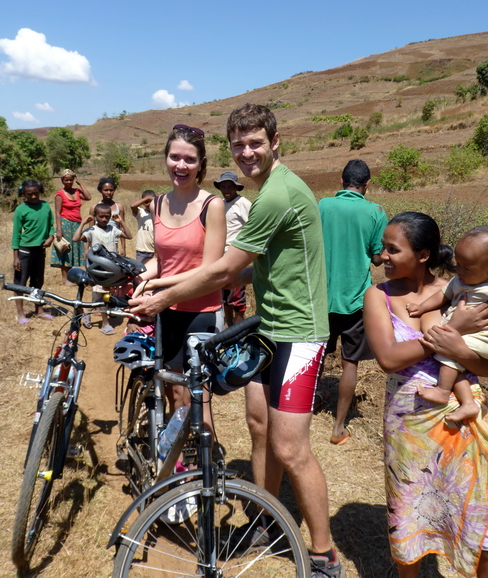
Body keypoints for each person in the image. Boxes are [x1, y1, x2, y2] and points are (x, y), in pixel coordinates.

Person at [130, 104, 344, 578]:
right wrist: (163, 286)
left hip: (300, 334)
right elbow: (252, 269)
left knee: (291, 449)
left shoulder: (277, 194)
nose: (247, 153)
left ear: (275, 142)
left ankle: (325, 554)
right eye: (239, 145)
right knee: (258, 428)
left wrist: (162, 298)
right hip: (267, 326)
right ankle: (265, 520)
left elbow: (226, 269)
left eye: (256, 144)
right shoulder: (269, 189)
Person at [364, 211, 488, 578]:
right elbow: (388, 358)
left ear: (422, 254)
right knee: (408, 515)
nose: (383, 256)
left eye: (392, 249)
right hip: (407, 426)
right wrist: (452, 329)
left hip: (460, 418)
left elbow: (481, 361)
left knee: (477, 517)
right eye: (383, 248)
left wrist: (459, 345)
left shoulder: (462, 288)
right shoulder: (378, 296)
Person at [132, 124, 226, 416]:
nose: (181, 165)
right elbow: (162, 260)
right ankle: (176, 461)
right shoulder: (157, 203)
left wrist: (157, 286)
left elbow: (209, 269)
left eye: (189, 159)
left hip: (202, 313)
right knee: (175, 396)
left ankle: (205, 457)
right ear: (165, 159)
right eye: (175, 157)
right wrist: (141, 275)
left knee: (199, 399)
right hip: (167, 312)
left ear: (201, 165)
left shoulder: (212, 205)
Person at [318, 159, 387, 444]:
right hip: (356, 299)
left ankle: (307, 404)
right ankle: (338, 427)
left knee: (317, 354)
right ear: (367, 184)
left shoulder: (322, 205)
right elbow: (376, 257)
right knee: (350, 362)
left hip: (320, 296)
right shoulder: (375, 212)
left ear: (342, 179)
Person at [406, 226, 488, 422]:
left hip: (481, 336)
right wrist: (422, 307)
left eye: (466, 268)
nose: (458, 270)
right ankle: (467, 402)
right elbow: (442, 295)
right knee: (448, 355)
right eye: (457, 264)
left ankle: (443, 391)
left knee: (447, 349)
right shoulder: (459, 281)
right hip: (465, 333)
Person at [73, 204, 132, 334]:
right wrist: (83, 223)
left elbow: (129, 236)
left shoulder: (113, 229)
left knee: (102, 297)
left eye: (107, 216)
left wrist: (121, 221)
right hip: (98, 270)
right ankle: (105, 324)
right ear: (95, 216)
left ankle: (86, 313)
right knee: (104, 296)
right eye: (101, 216)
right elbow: (75, 238)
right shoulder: (92, 230)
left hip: (111, 269)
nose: (104, 219)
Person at [11, 179, 54, 324]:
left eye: (36, 193)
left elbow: (51, 226)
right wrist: (16, 257)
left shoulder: (46, 206)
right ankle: (20, 314)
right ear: (23, 193)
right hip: (25, 251)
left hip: (40, 251)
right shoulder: (20, 209)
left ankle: (39, 310)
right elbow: (16, 234)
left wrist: (50, 237)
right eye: (30, 194)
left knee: (37, 281)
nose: (34, 197)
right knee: (20, 283)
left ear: (40, 190)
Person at [213, 171, 252, 326]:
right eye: (223, 186)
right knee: (224, 298)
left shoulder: (243, 204)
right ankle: (228, 332)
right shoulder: (220, 204)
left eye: (230, 186)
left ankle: (237, 334)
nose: (226, 189)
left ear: (236, 187)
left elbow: (253, 227)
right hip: (221, 257)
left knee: (237, 299)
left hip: (236, 256)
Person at [50, 169, 91, 284]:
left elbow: (88, 197)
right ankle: (65, 278)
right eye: (66, 180)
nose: (68, 182)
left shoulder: (77, 191)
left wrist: (81, 183)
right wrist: (59, 229)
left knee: (73, 250)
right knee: (65, 249)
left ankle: (70, 276)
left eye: (71, 180)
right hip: (65, 223)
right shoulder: (60, 194)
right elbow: (57, 213)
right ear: (62, 180)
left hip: (77, 224)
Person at [90, 177, 126, 254]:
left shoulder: (119, 207)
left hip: (113, 244)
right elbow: (90, 230)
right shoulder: (94, 207)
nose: (109, 192)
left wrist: (123, 248)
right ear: (100, 191)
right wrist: (87, 249)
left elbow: (121, 227)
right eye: (106, 190)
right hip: (98, 244)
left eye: (111, 190)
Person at [130, 190, 156, 265]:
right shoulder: (140, 212)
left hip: (156, 251)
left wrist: (155, 199)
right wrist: (148, 198)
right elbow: (133, 206)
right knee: (141, 271)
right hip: (142, 251)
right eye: (146, 202)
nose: (148, 204)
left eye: (150, 202)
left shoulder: (159, 212)